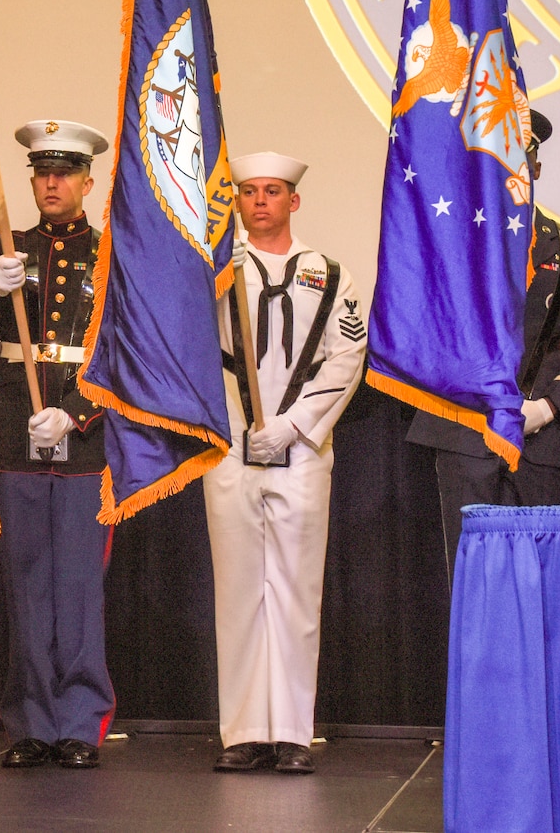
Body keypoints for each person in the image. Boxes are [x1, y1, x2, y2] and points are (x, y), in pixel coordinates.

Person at [205, 152, 368, 776]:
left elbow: (345, 358)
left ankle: (294, 731)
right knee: (240, 592)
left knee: (296, 593)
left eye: (273, 191)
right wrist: (237, 429)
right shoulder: (217, 273)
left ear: (293, 201)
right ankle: (244, 730)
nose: (261, 202)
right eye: (249, 192)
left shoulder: (328, 274)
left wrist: (294, 427)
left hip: (301, 452)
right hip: (230, 450)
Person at [406, 111, 560, 570]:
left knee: (542, 582)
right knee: (472, 583)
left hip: (537, 438)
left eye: (521, 159)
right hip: (464, 433)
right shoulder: (445, 239)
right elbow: (423, 331)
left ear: (536, 167)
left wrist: (550, 406)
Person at [0, 120, 114, 771]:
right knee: (26, 582)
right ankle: (31, 719)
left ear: (88, 181)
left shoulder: (111, 253)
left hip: (82, 440)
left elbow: (122, 349)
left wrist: (76, 413)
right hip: (14, 433)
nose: (51, 182)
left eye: (64, 172)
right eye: (41, 171)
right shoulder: (4, 246)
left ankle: (81, 720)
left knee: (79, 587)